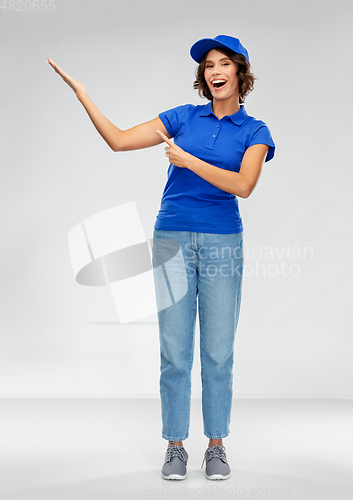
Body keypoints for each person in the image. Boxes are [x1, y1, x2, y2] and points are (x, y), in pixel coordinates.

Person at [48, 34, 275, 482]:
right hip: (171, 236)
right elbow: (117, 141)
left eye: (224, 63)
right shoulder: (181, 118)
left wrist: (188, 161)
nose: (214, 71)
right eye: (208, 64)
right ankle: (175, 445)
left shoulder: (255, 131)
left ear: (240, 73)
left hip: (222, 241)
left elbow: (244, 186)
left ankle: (215, 447)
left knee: (217, 351)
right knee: (174, 351)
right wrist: (84, 95)